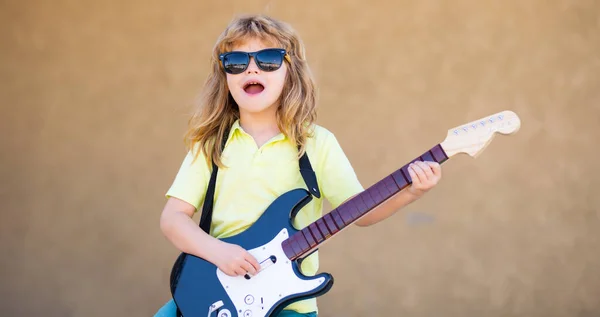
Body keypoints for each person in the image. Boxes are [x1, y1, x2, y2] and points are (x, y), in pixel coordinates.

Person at [155, 14, 442, 317]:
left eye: (268, 58)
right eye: (237, 61)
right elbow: (173, 219)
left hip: (288, 305)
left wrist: (411, 192)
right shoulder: (212, 143)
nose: (252, 67)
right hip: (214, 294)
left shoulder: (317, 143)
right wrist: (220, 253)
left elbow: (361, 211)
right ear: (224, 76)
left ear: (291, 72)